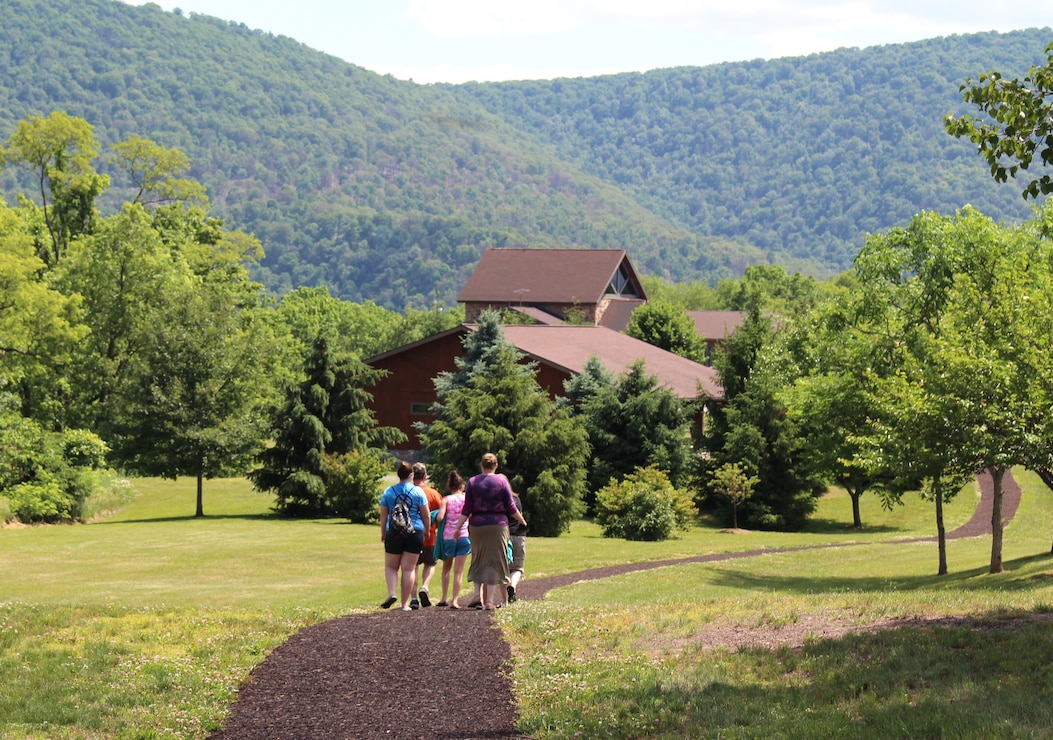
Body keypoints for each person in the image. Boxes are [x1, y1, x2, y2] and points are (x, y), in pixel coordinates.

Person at [453, 452, 527, 611]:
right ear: (496, 465)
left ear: (482, 465)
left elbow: (467, 509)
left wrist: (458, 527)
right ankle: (489, 601)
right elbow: (511, 506)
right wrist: (521, 520)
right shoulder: (501, 481)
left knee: (478, 558)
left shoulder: (472, 482)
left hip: (477, 524)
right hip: (497, 525)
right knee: (495, 560)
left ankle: (476, 595)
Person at [379, 460, 430, 611]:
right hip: (415, 531)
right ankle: (405, 604)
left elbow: (383, 515)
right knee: (408, 569)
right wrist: (427, 530)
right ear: (411, 475)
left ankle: (392, 593)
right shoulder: (418, 492)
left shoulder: (388, 491)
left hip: (393, 531)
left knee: (390, 566)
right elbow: (426, 515)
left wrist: (383, 532)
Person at [436, 470, 471, 609]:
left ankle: (444, 597)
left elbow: (439, 517)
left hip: (448, 537)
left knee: (446, 569)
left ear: (449, 486)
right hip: (463, 535)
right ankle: (455, 600)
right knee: (459, 571)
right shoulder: (466, 499)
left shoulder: (446, 500)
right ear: (462, 486)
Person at [412, 462, 443, 608]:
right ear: (425, 476)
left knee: (412, 567)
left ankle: (412, 597)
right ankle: (425, 586)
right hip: (430, 535)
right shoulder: (433, 493)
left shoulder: (409, 491)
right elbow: (442, 513)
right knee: (430, 564)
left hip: (411, 535)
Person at [506, 490, 527, 603]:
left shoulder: (499, 500)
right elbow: (520, 515)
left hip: (505, 535)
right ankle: (512, 586)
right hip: (519, 535)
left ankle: (505, 592)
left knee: (504, 567)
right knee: (518, 567)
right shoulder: (517, 499)